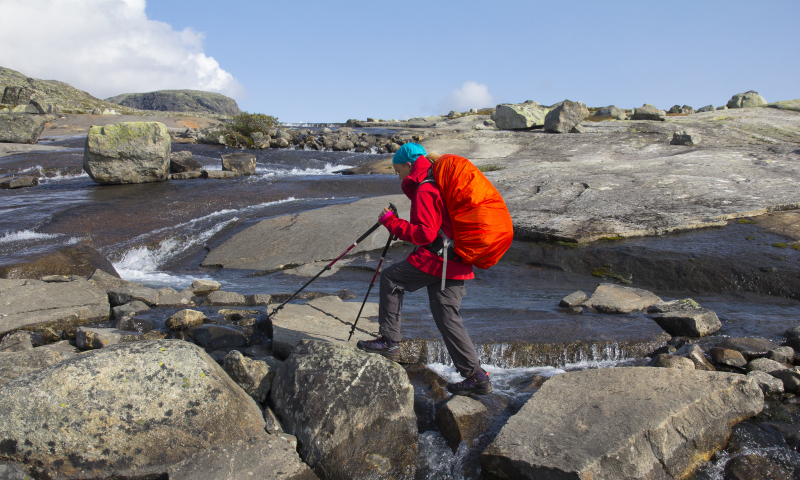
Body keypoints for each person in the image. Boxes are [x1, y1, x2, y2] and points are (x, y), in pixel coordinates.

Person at [356, 143, 491, 395]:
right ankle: (477, 377)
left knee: (391, 279)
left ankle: (389, 341)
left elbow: (424, 233)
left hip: (439, 260)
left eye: (398, 171)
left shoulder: (426, 188)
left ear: (409, 166)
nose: (398, 177)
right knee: (446, 314)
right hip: (457, 258)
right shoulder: (438, 182)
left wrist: (392, 223)